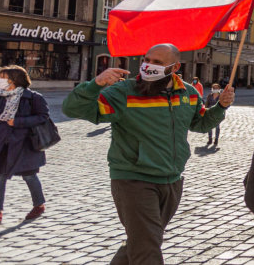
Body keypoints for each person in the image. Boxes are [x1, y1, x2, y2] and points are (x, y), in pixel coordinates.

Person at [62, 43, 234, 264]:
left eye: (157, 63)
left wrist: (220, 107)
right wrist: (95, 85)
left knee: (142, 240)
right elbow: (71, 109)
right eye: (147, 60)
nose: (148, 66)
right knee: (147, 248)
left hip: (172, 179)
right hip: (134, 180)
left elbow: (200, 124)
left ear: (174, 67)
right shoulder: (124, 92)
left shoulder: (188, 93)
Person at [0, 66, 50, 224]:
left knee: (29, 176)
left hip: (24, 144)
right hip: (0, 143)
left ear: (15, 80)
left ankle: (39, 205)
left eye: (3, 77)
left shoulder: (34, 98)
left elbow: (43, 117)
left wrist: (18, 122)